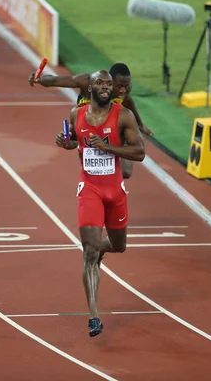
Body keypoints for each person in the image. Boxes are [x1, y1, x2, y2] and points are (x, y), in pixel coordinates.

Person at [55, 70, 145, 337]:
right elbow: (75, 141)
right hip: (90, 188)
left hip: (115, 191)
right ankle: (94, 316)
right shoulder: (77, 114)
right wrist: (65, 142)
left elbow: (139, 153)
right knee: (89, 251)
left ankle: (102, 251)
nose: (106, 87)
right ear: (91, 88)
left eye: (108, 83)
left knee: (119, 246)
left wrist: (108, 148)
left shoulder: (124, 116)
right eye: (100, 83)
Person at [31, 63, 151, 179]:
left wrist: (140, 124)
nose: (122, 90)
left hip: (109, 125)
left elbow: (128, 100)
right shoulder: (87, 81)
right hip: (86, 124)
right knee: (73, 144)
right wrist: (39, 79)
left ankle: (122, 141)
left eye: (126, 86)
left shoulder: (123, 90)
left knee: (126, 172)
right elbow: (55, 80)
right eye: (119, 86)